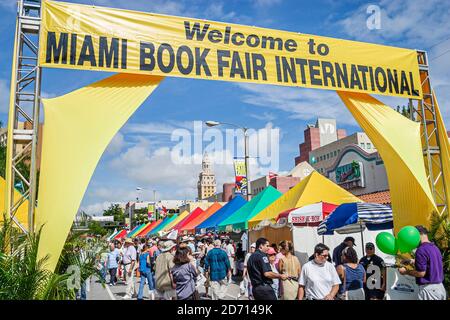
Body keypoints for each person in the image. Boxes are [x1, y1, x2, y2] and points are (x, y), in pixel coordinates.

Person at [399, 225, 446, 300]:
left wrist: (406, 271)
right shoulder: (434, 247)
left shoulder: (421, 249)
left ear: (417, 235)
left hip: (429, 290)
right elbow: (431, 263)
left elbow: (421, 273)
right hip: (440, 288)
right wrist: (412, 261)